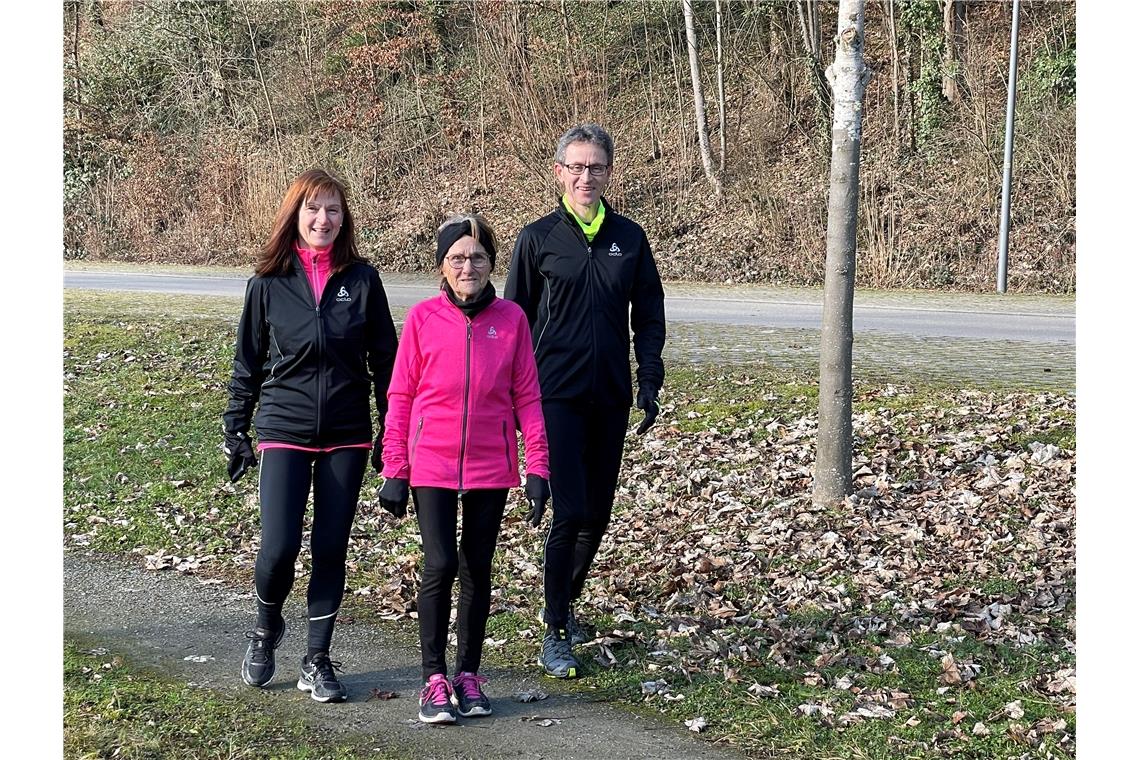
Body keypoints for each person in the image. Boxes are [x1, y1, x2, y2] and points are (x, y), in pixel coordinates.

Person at [222, 168, 398, 703]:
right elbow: (246, 364)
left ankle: (317, 658)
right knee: (278, 548)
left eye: (334, 210)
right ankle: (265, 626)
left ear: (345, 219)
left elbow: (388, 364)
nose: (323, 219)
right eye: (313, 209)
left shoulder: (362, 280)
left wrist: (391, 435)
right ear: (295, 215)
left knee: (330, 548)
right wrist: (236, 429)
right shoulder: (268, 284)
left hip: (347, 432)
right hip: (283, 427)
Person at [504, 123, 666, 679]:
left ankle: (566, 605)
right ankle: (554, 630)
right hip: (554, 395)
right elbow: (513, 320)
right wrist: (509, 394)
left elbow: (647, 311)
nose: (585, 176)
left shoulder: (630, 238)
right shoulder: (538, 239)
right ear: (559, 173)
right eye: (575, 166)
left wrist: (649, 375)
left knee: (597, 514)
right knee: (569, 512)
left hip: (610, 395)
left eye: (596, 166)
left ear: (609, 172)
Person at [379, 213, 551, 724]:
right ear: (441, 266)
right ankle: (434, 679)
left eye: (477, 256)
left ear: (491, 262)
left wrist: (537, 468)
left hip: (490, 464)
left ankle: (468, 675)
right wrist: (395, 467)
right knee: (440, 565)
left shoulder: (512, 319)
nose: (467, 266)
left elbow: (529, 397)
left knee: (477, 568)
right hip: (429, 461)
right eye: (457, 257)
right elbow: (400, 395)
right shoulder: (422, 319)